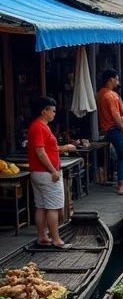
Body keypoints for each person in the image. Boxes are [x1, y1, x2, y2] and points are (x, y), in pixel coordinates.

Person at [27, 97, 76, 248]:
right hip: (46, 173)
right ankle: (56, 240)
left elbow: (47, 149)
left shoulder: (41, 126)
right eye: (52, 110)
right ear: (44, 111)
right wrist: (53, 170)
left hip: (39, 173)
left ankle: (43, 237)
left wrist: (64, 148)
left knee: (41, 206)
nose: (54, 113)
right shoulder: (39, 127)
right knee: (53, 207)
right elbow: (40, 152)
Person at [96, 68, 123, 194]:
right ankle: (121, 185)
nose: (117, 81)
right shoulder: (111, 95)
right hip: (115, 128)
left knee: (122, 155)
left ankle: (122, 182)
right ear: (111, 79)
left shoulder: (101, 93)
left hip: (108, 128)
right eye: (116, 78)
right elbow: (115, 114)